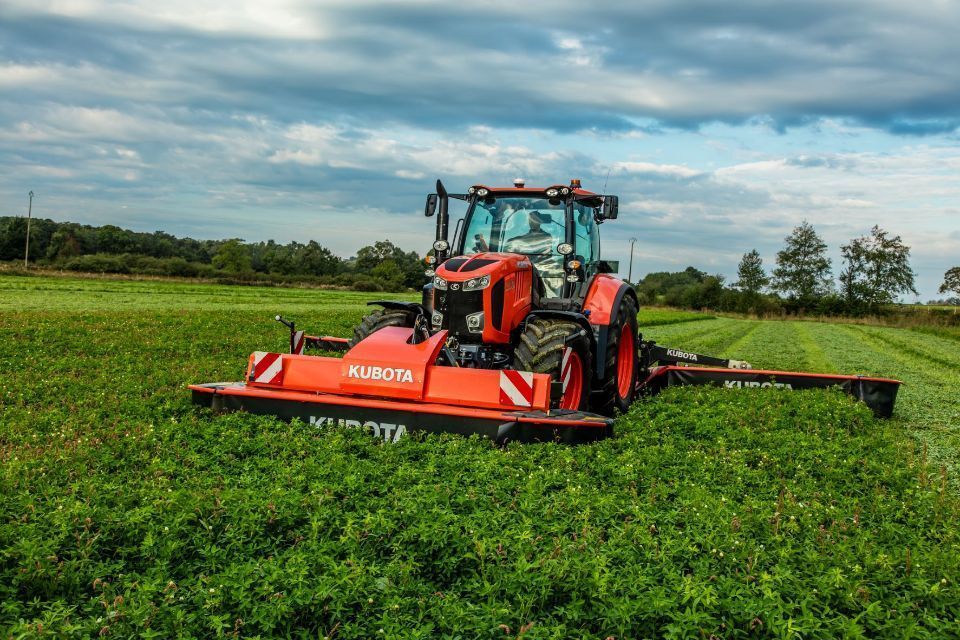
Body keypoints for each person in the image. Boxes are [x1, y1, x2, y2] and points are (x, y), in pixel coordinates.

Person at [504, 211, 564, 296]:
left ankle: (555, 297)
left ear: (539, 221)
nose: (531, 222)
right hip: (525, 264)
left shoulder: (546, 236)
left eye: (534, 219)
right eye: (530, 220)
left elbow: (538, 247)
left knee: (557, 272)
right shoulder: (520, 238)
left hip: (542, 265)